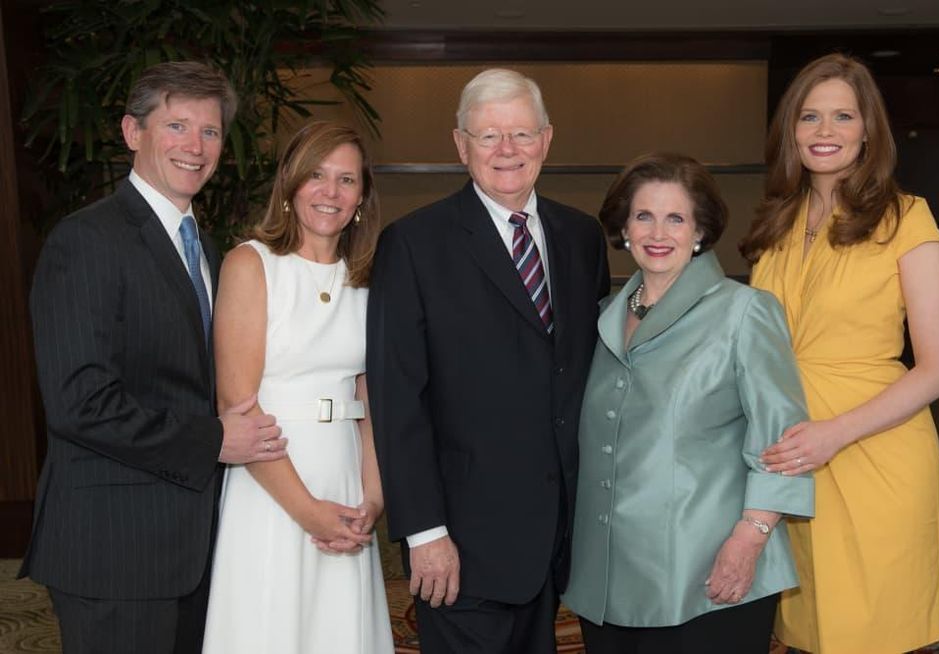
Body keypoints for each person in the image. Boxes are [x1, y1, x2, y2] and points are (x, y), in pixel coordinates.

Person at [20, 61, 285, 654]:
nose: (196, 146)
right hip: (115, 550)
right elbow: (79, 403)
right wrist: (213, 440)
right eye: (177, 126)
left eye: (210, 131)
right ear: (132, 132)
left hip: (195, 547)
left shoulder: (208, 249)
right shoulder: (86, 240)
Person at [366, 68, 610, 653]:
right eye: (489, 136)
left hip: (560, 536)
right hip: (461, 542)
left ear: (546, 140)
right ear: (461, 145)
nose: (507, 150)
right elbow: (398, 398)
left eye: (522, 134)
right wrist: (424, 532)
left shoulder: (582, 237)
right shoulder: (414, 243)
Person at [744, 53, 939, 653]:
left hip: (873, 446)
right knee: (810, 629)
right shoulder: (777, 222)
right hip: (792, 452)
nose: (825, 130)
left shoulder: (907, 218)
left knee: (874, 630)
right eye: (809, 116)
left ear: (869, 131)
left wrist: (834, 434)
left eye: (843, 116)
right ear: (791, 130)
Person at [562, 153, 814, 653]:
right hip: (605, 577)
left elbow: (783, 443)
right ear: (624, 228)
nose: (658, 233)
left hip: (707, 573)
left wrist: (749, 540)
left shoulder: (744, 313)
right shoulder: (604, 315)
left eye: (676, 218)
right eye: (644, 216)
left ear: (700, 230)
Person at [201, 122, 393, 653]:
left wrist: (372, 499)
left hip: (345, 481)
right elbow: (237, 405)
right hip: (271, 484)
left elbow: (370, 400)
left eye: (346, 180)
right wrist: (307, 510)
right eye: (316, 175)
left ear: (362, 196)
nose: (331, 192)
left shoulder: (367, 278)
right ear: (290, 182)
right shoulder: (251, 264)